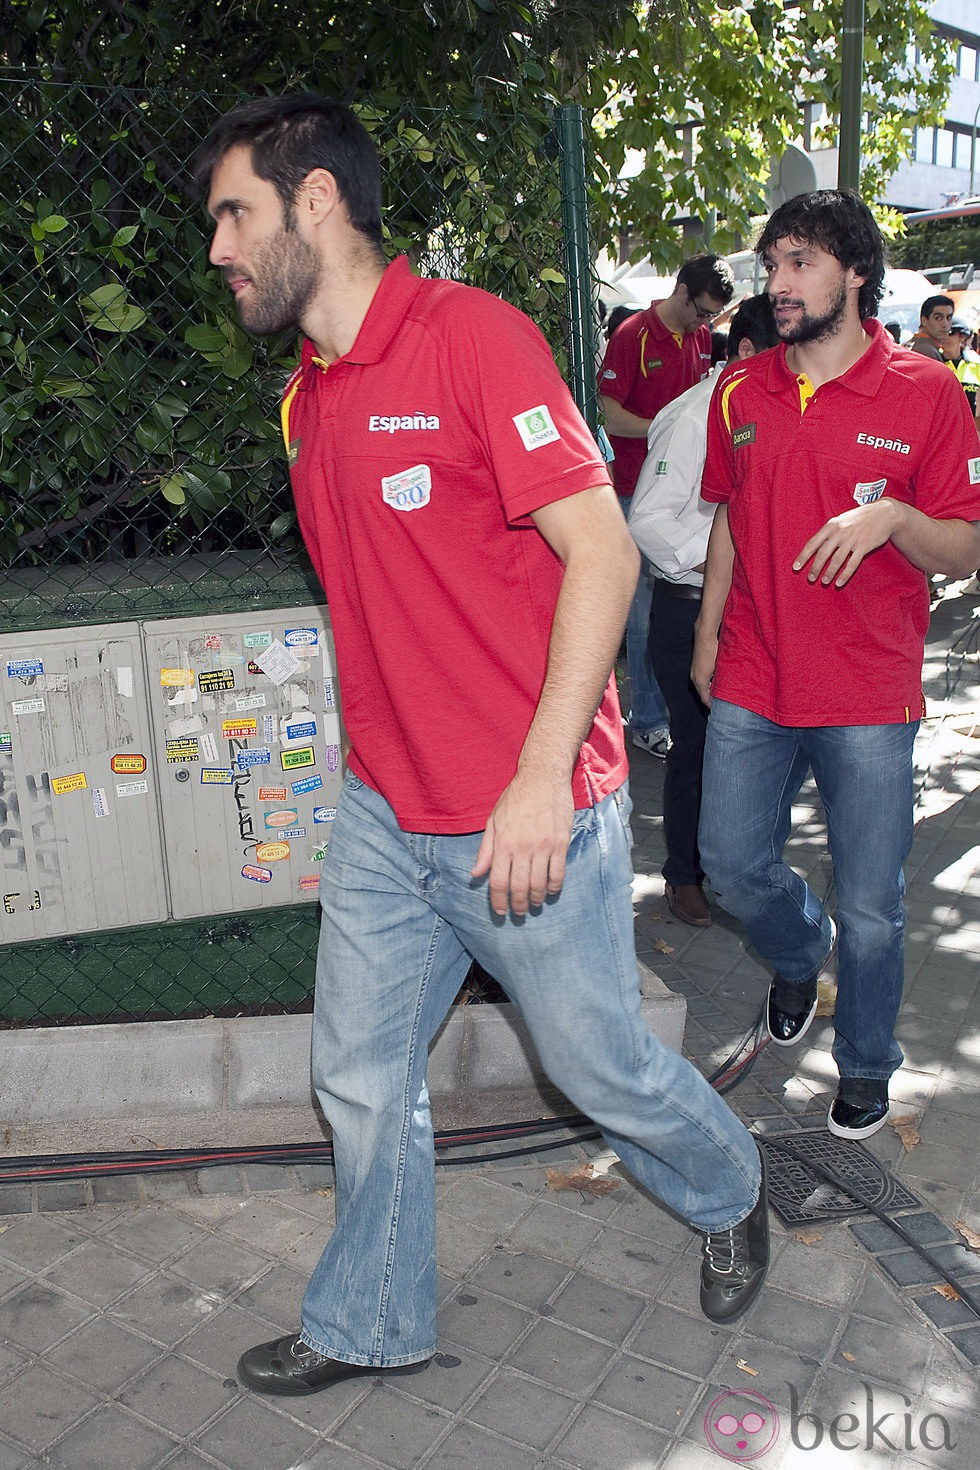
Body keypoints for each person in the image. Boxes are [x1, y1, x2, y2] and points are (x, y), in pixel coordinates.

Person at [194, 94, 769, 1397]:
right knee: (356, 1072)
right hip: (391, 815)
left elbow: (605, 553)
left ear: (316, 200)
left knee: (598, 1064)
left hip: (532, 810)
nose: (218, 246)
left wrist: (533, 777)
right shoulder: (309, 400)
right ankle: (370, 1316)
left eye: (234, 211)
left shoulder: (474, 343)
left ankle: (734, 1183)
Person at [692, 189, 980, 1142]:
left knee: (874, 907)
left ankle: (864, 1063)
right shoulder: (740, 389)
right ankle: (794, 948)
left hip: (867, 688)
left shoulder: (928, 391)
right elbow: (729, 516)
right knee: (731, 868)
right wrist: (707, 631)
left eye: (801, 264)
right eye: (773, 265)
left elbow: (965, 548)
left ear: (856, 273)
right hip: (753, 673)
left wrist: (893, 518)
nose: (778, 284)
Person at [628, 294, 779, 929]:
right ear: (746, 352)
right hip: (688, 609)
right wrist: (724, 565)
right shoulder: (694, 416)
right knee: (699, 748)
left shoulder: (766, 411)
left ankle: (739, 872)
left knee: (751, 747)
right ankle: (684, 877)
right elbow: (649, 522)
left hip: (751, 608)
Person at [598, 255, 735, 760]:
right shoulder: (632, 335)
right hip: (637, 486)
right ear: (681, 291)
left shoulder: (699, 337)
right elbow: (608, 411)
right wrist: (669, 425)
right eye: (702, 311)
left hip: (690, 488)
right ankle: (648, 719)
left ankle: (673, 709)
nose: (706, 324)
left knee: (677, 605)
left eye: (712, 317)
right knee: (643, 610)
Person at [942, 315, 980, 430]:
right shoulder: (933, 361)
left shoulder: (976, 365)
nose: (943, 337)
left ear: (961, 337)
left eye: (949, 333)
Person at [907, 293, 954, 360]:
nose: (945, 324)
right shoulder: (926, 351)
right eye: (938, 318)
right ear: (924, 320)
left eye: (949, 318)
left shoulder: (917, 344)